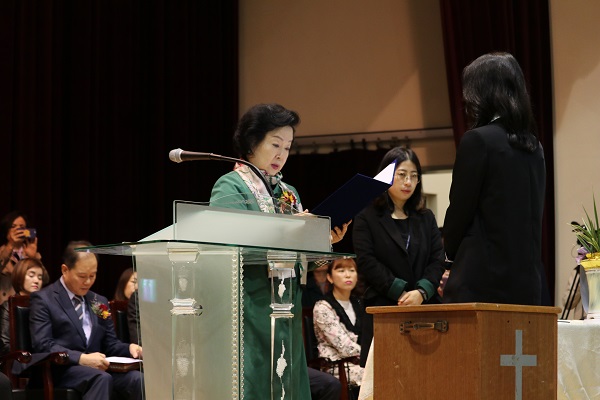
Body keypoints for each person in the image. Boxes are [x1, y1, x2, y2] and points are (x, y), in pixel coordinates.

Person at [209, 103, 350, 400]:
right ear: (251, 143)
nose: (281, 154)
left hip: (286, 308)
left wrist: (324, 242)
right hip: (250, 309)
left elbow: (301, 261)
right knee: (256, 385)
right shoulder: (230, 186)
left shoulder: (288, 193)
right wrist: (291, 230)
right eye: (275, 144)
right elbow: (228, 246)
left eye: (287, 147)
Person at [441, 52, 546, 305]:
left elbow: (460, 211)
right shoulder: (534, 146)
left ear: (481, 92)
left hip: (481, 282)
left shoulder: (478, 140)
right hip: (528, 283)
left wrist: (448, 258)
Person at [353, 146, 445, 365]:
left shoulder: (426, 217)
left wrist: (421, 292)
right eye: (402, 175)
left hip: (425, 307)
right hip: (384, 307)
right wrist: (401, 293)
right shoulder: (367, 216)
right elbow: (366, 260)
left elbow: (437, 259)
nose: (408, 182)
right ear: (386, 175)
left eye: (414, 176)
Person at [29, 240, 144, 399]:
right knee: (101, 378)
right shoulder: (44, 299)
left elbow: (110, 344)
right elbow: (43, 344)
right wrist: (81, 359)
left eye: (93, 275)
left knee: (137, 379)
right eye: (82, 276)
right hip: (60, 370)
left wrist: (129, 348)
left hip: (96, 368)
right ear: (65, 270)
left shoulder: (98, 301)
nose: (88, 282)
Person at [313, 258, 364, 387]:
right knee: (381, 374)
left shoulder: (359, 303)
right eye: (341, 271)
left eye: (352, 270)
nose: (348, 275)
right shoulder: (322, 307)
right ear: (330, 277)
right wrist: (372, 354)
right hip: (337, 367)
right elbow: (344, 347)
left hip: (361, 363)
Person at [0, 258, 49, 355]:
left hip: (43, 357)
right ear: (19, 278)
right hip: (17, 359)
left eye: (40, 277)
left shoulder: (45, 305)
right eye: (31, 275)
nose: (36, 281)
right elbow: (4, 344)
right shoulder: (8, 306)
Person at [0, 211, 41, 276]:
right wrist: (11, 244)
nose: (18, 230)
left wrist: (33, 258)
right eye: (13, 226)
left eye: (22, 227)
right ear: (6, 230)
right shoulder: (1, 252)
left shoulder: (32, 252)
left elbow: (44, 278)